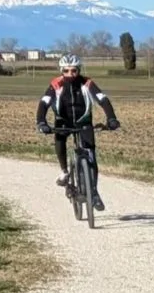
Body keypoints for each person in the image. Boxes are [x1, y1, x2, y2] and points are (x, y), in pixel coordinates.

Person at [37, 54, 119, 209]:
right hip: (63, 121)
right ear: (61, 71)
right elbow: (44, 102)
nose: (70, 74)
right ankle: (64, 171)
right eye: (66, 71)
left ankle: (93, 192)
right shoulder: (56, 84)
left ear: (79, 70)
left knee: (91, 157)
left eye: (73, 71)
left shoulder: (87, 83)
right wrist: (41, 121)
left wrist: (112, 119)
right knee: (59, 140)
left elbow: (102, 99)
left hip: (83, 122)